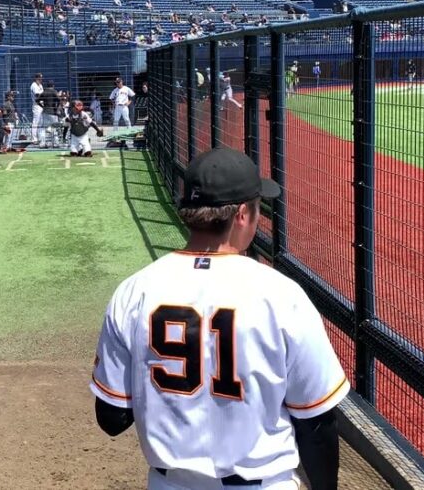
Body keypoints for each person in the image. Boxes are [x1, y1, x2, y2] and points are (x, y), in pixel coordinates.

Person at [91, 148, 348, 490]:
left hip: (170, 484)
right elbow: (316, 424)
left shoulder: (134, 291)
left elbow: (111, 418)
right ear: (241, 215)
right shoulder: (281, 295)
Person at [37, 80, 61, 147]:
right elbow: (59, 100)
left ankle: (42, 143)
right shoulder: (54, 92)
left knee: (43, 128)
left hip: (45, 112)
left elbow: (37, 100)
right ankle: (56, 143)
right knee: (54, 128)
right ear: (53, 85)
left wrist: (42, 106)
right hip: (53, 112)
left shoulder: (44, 92)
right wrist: (57, 108)